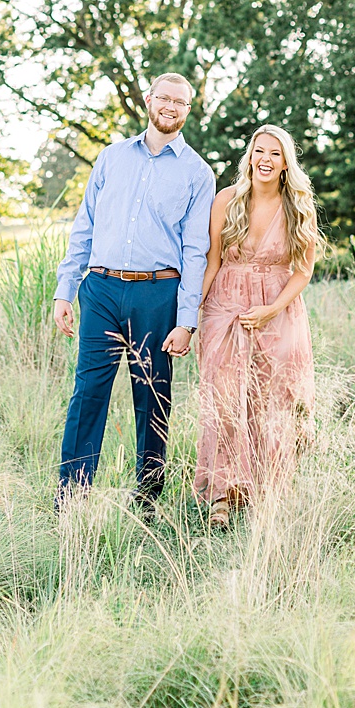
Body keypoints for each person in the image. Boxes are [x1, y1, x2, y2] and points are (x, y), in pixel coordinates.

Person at [51, 73, 216, 514]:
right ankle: (72, 497)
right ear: (149, 100)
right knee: (88, 392)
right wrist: (65, 290)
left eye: (180, 102)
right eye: (164, 98)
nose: (170, 107)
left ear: (187, 109)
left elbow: (196, 250)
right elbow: (84, 226)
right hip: (100, 289)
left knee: (153, 397)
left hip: (157, 294)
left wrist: (186, 321)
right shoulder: (111, 158)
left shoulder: (198, 174)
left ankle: (146, 500)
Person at [194, 123, 322, 530]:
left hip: (278, 309)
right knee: (225, 399)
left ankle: (267, 492)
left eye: (275, 154)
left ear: (286, 163)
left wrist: (270, 309)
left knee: (272, 401)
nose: (265, 160)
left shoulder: (298, 206)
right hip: (225, 307)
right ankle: (221, 496)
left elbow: (303, 272)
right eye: (259, 151)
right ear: (249, 156)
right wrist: (191, 315)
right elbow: (212, 261)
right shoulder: (226, 200)